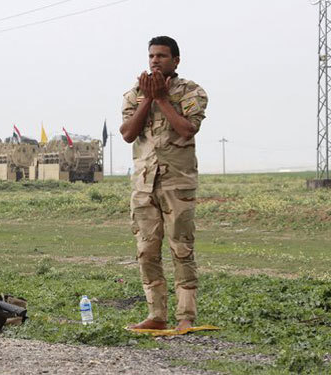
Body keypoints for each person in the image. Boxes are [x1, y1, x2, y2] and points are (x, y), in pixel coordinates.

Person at [119, 36, 208, 331]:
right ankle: (157, 315)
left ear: (175, 61)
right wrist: (148, 98)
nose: (155, 60)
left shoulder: (191, 92)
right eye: (151, 56)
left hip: (177, 184)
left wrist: (161, 99)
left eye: (161, 56)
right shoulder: (135, 93)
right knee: (146, 252)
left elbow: (186, 129)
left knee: (181, 249)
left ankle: (186, 316)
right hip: (144, 186)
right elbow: (128, 133)